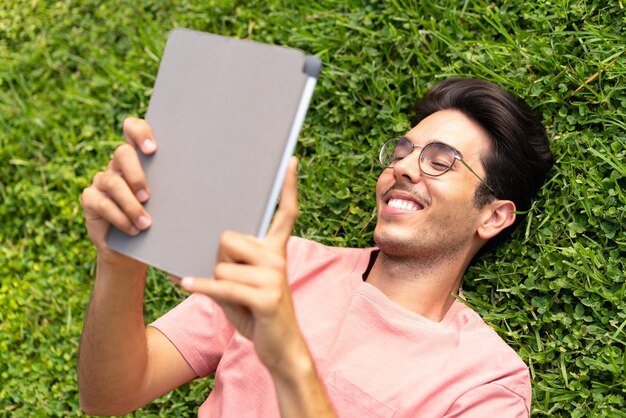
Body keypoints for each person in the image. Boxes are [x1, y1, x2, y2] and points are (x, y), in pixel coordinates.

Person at [78, 77, 554, 417]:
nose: (405, 167)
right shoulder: (284, 265)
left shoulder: (485, 383)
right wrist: (119, 258)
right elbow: (111, 395)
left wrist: (287, 356)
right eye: (404, 151)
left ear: (493, 216)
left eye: (440, 162)